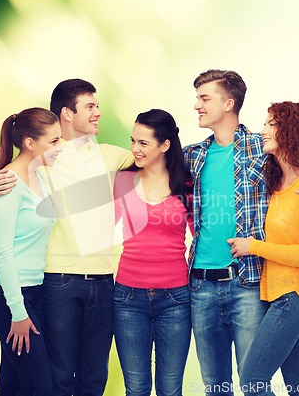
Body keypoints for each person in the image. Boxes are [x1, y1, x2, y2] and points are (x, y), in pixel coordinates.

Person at [182, 69, 299, 396]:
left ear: (228, 103)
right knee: (217, 388)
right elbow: (150, 160)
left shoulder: (261, 146)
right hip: (200, 284)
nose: (196, 105)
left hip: (248, 282)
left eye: (204, 98)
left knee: (253, 381)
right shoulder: (192, 155)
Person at [0, 79, 133, 396]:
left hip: (101, 279)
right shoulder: (43, 158)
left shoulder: (112, 156)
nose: (98, 113)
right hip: (55, 280)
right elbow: (2, 212)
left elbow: (159, 162)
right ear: (66, 113)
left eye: (97, 105)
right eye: (90, 106)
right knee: (53, 378)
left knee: (90, 378)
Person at [229, 101, 299, 396]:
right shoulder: (274, 180)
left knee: (251, 381)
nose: (262, 130)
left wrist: (255, 247)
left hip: (296, 297)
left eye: (269, 124)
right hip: (279, 297)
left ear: (289, 130)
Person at [0, 107, 62, 396]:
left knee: (14, 380)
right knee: (38, 386)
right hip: (6, 296)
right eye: (53, 141)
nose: (59, 147)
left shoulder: (39, 177)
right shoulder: (9, 183)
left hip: (33, 290)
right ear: (30, 143)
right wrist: (18, 311)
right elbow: (2, 253)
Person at [113, 109, 192, 396]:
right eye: (133, 140)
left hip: (175, 299)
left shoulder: (186, 185)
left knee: (171, 389)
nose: (135, 149)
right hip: (127, 298)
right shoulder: (123, 181)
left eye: (143, 143)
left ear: (165, 145)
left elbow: (204, 238)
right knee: (136, 389)